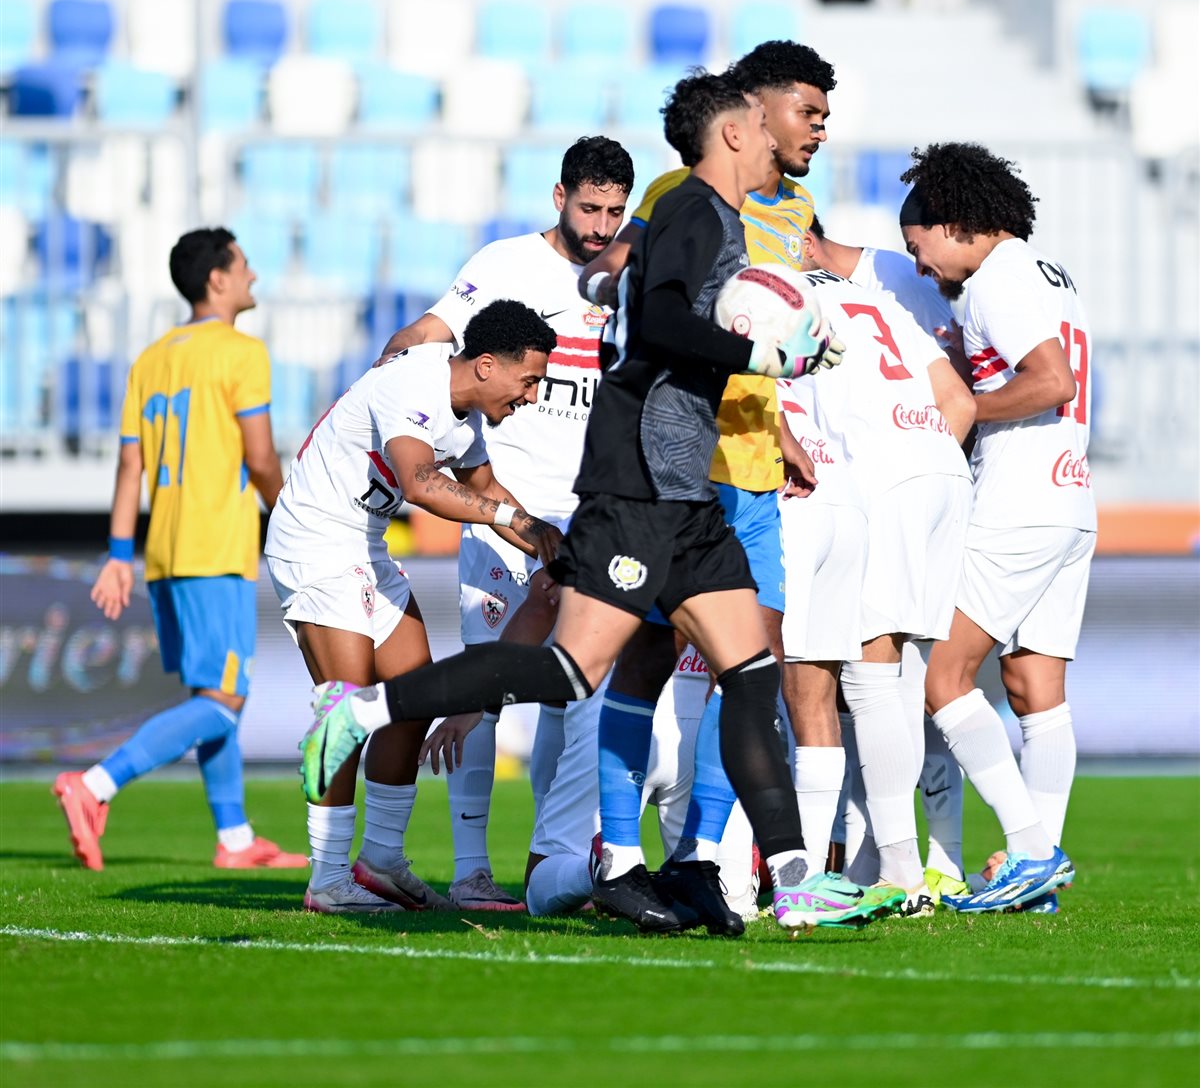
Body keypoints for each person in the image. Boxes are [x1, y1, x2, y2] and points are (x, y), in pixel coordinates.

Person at [298, 70, 901, 937]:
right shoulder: (695, 211)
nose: (779, 137)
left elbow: (623, 294)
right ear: (733, 132)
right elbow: (660, 325)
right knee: (570, 670)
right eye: (763, 123)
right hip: (639, 483)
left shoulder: (705, 218)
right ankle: (364, 710)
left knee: (750, 674)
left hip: (688, 488)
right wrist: (761, 355)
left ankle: (795, 878)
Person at [576, 41, 836, 924]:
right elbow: (630, 284)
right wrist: (609, 276)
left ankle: (700, 859)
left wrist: (784, 422)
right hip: (683, 464)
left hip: (754, 464)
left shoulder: (797, 209)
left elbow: (773, 314)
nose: (815, 130)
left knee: (751, 667)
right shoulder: (677, 195)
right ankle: (617, 853)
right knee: (641, 659)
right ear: (751, 115)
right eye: (804, 113)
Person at [376, 136, 634, 910]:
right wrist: (387, 379)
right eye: (589, 208)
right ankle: (470, 870)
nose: (601, 225)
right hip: (502, 509)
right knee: (484, 683)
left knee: (579, 688)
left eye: (615, 211)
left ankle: (560, 853)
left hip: (588, 517)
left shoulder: (625, 276)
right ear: (559, 197)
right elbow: (428, 335)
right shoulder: (505, 264)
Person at [265, 300, 560, 912]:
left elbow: (485, 489)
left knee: (412, 696)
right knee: (345, 709)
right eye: (529, 380)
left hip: (363, 545)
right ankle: (328, 879)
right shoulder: (415, 381)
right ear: (486, 365)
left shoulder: (467, 422)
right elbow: (421, 482)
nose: (532, 397)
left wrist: (547, 542)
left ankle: (380, 860)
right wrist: (512, 519)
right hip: (315, 539)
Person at [55, 228, 306, 874]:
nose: (253, 275)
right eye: (244, 264)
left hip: (164, 552)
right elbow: (260, 457)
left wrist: (119, 553)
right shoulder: (241, 353)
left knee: (214, 697)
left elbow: (129, 465)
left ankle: (235, 838)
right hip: (214, 547)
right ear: (217, 279)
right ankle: (95, 785)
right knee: (223, 700)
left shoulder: (150, 358)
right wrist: (294, 517)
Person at [901, 141, 1090, 914]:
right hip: (1071, 497)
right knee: (1034, 687)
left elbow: (1052, 381)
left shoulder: (995, 282)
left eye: (920, 247)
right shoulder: (1050, 272)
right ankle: (1037, 880)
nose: (922, 267)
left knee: (940, 679)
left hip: (1019, 501)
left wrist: (966, 409)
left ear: (953, 222)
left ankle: (1032, 848)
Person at [778, 247, 976, 918]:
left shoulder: (777, 297)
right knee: (896, 680)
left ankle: (901, 870)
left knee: (868, 679)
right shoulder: (878, 299)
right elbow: (958, 400)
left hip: (878, 479)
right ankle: (887, 863)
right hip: (944, 470)